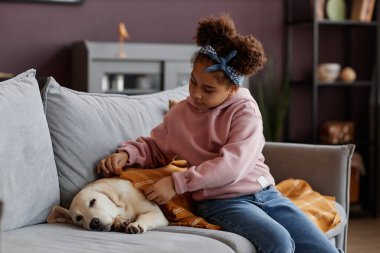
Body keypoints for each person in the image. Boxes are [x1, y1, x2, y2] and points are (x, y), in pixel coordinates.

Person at [96, 14, 342, 253]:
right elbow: (156, 147)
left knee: (321, 248)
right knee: (278, 241)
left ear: (233, 89)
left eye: (208, 89)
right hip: (222, 203)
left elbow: (232, 165)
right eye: (193, 82)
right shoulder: (179, 116)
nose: (196, 94)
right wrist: (128, 155)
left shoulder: (246, 111)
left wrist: (176, 182)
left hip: (268, 195)